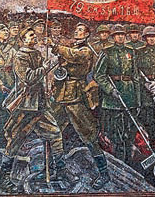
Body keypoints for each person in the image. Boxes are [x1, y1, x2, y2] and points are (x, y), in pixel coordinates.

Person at [0, 27, 64, 191]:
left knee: (55, 134)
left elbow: (41, 77)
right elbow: (28, 78)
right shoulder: (20, 56)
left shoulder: (37, 54)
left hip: (40, 104)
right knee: (15, 140)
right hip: (26, 105)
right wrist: (45, 68)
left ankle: (59, 170)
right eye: (31, 35)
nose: (34, 37)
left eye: (35, 34)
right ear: (23, 39)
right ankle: (3, 178)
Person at [51, 23, 110, 189]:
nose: (76, 32)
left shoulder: (86, 51)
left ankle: (104, 174)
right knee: (53, 132)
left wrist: (56, 47)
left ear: (86, 35)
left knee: (88, 135)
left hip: (76, 97)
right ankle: (58, 170)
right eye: (76, 30)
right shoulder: (72, 48)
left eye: (80, 30)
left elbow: (74, 56)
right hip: (61, 96)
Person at [93, 24, 138, 163]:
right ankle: (118, 162)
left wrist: (137, 99)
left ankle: (129, 162)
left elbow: (135, 75)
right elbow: (99, 75)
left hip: (129, 96)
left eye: (122, 34)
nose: (120, 37)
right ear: (113, 37)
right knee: (115, 135)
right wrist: (110, 89)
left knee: (130, 133)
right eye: (117, 35)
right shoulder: (107, 52)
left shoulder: (131, 51)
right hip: (112, 100)